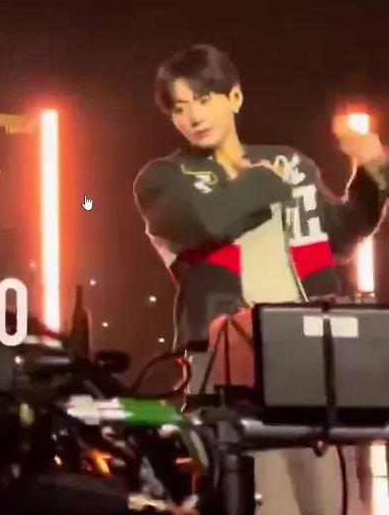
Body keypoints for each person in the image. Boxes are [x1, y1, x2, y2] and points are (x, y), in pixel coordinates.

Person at [133, 44, 386, 515]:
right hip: (230, 371)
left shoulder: (291, 164)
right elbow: (206, 222)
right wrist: (267, 181)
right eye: (180, 108)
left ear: (235, 97)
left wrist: (372, 172)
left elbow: (339, 238)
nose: (193, 116)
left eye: (204, 99)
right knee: (263, 503)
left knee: (334, 504)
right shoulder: (165, 179)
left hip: (310, 361)